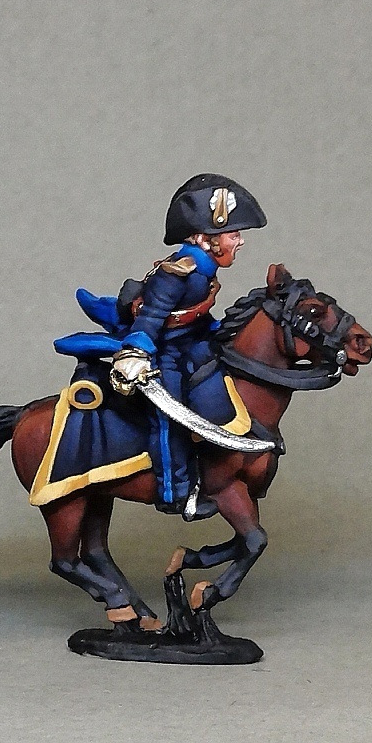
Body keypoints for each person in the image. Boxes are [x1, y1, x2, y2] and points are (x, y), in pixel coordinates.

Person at [108, 174, 266, 518]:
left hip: (193, 344)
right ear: (208, 239)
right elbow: (152, 318)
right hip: (164, 354)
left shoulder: (205, 270)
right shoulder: (176, 273)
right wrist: (135, 352)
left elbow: (194, 316)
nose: (240, 242)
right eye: (234, 234)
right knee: (170, 417)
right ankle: (175, 491)